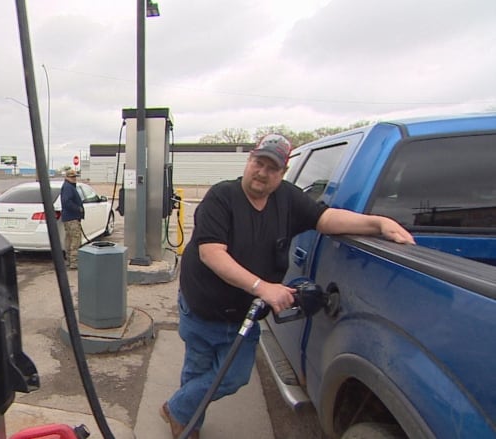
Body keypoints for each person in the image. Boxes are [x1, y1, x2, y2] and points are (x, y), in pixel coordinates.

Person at [160, 134, 415, 438]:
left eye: (272, 168)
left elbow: (326, 218)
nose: (262, 173)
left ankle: (178, 408)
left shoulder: (288, 199)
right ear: (249, 160)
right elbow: (211, 253)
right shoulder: (221, 197)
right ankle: (188, 426)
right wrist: (263, 287)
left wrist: (378, 223)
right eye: (259, 163)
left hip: (245, 312)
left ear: (282, 172)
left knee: (234, 376)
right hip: (202, 306)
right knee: (197, 370)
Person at [61, 168, 84, 269]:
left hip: (70, 217)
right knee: (75, 239)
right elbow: (66, 202)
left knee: (70, 238)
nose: (74, 178)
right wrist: (78, 208)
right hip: (71, 218)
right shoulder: (68, 188)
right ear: (67, 177)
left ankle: (69, 259)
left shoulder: (69, 187)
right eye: (72, 177)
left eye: (75, 176)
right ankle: (74, 261)